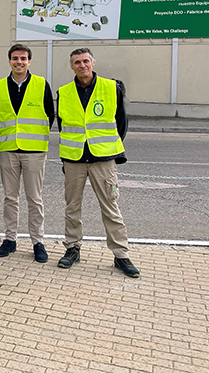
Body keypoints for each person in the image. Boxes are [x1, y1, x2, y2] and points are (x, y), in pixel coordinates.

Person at [56, 47, 140, 278]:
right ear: (71, 66)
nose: (82, 65)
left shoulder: (112, 88)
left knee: (111, 207)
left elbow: (121, 123)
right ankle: (72, 248)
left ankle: (121, 255)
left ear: (93, 63)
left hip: (102, 159)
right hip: (74, 159)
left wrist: (108, 148)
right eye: (77, 62)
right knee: (72, 207)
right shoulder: (63, 92)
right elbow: (63, 126)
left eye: (85, 61)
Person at [0, 44, 55, 263]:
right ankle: (10, 239)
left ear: (29, 61)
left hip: (34, 151)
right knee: (10, 198)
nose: (19, 62)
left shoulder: (41, 84)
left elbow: (50, 114)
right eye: (15, 58)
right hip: (8, 149)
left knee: (34, 199)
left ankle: (38, 242)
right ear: (9, 60)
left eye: (23, 58)